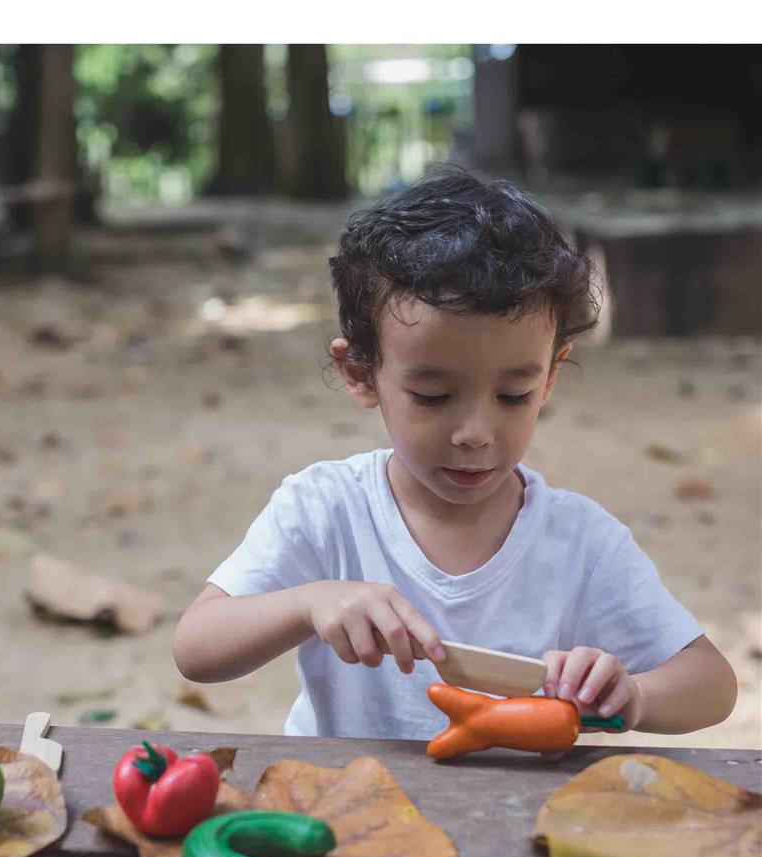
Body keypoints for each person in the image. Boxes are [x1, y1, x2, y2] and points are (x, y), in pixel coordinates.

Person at [173, 165, 737, 741]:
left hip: (513, 818)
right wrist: (308, 603)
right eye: (434, 396)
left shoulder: (580, 544)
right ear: (362, 374)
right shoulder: (327, 509)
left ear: (549, 376)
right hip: (343, 808)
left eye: (512, 395)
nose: (475, 432)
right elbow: (197, 647)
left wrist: (632, 694)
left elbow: (711, 684)